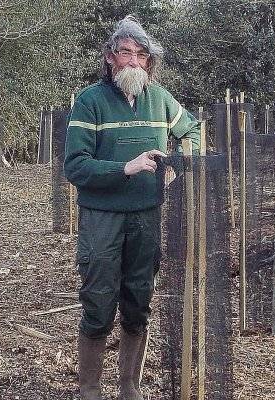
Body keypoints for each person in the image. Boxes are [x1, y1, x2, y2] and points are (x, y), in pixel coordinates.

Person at [63, 15, 200, 400]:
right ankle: (90, 389)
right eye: (126, 53)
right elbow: (75, 165)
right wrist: (126, 167)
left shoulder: (160, 99)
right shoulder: (90, 102)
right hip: (102, 219)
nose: (135, 61)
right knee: (99, 302)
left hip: (146, 215)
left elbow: (192, 130)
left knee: (139, 300)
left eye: (142, 54)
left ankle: (129, 387)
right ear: (110, 58)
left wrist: (178, 166)